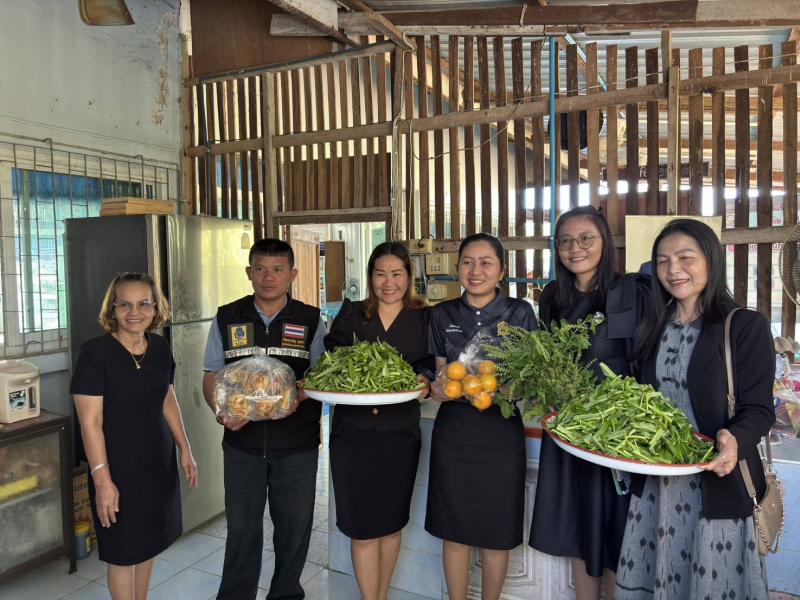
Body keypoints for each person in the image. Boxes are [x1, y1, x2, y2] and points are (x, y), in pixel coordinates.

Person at [615, 219, 775, 600]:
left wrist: (733, 440)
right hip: (656, 487)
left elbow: (759, 409)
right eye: (663, 261)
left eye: (686, 257)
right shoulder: (653, 326)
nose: (674, 270)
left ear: (711, 260)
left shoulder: (744, 326)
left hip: (715, 484)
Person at [528, 205, 650, 600]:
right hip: (567, 429)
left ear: (604, 243)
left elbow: (642, 361)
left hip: (613, 432)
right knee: (579, 530)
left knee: (616, 532)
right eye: (564, 241)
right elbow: (546, 359)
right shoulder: (553, 296)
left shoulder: (631, 291)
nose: (574, 248)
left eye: (585, 239)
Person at [202, 239, 327, 600]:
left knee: (294, 529)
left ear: (292, 274)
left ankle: (286, 594)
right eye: (260, 269)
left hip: (297, 445)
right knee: (242, 530)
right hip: (242, 446)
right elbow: (211, 375)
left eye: (277, 269)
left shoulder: (311, 319)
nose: (268, 277)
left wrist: (292, 399)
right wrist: (222, 412)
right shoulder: (228, 317)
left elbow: (322, 377)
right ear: (249, 272)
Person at [71, 272, 198, 600]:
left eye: (144, 304)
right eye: (124, 304)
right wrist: (102, 481)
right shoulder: (94, 353)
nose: (134, 312)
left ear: (156, 308)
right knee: (122, 551)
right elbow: (90, 423)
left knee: (147, 544)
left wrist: (185, 447)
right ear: (112, 308)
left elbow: (166, 398)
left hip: (157, 462)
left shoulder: (159, 347)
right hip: (117, 468)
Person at [427, 233, 537, 600]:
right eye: (468, 263)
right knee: (454, 529)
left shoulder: (520, 313)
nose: (476, 271)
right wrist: (438, 389)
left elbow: (528, 379)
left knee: (497, 531)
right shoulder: (441, 314)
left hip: (500, 432)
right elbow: (440, 374)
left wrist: (509, 389)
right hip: (454, 432)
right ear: (457, 268)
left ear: (502, 271)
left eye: (486, 263)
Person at [324, 242, 435, 600]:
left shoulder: (424, 316)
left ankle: (381, 595)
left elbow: (430, 364)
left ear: (409, 276)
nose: (389, 283)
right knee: (361, 527)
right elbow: (331, 359)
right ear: (371, 276)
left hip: (399, 434)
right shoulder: (352, 313)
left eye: (397, 274)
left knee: (390, 524)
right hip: (353, 435)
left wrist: (425, 379)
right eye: (381, 274)